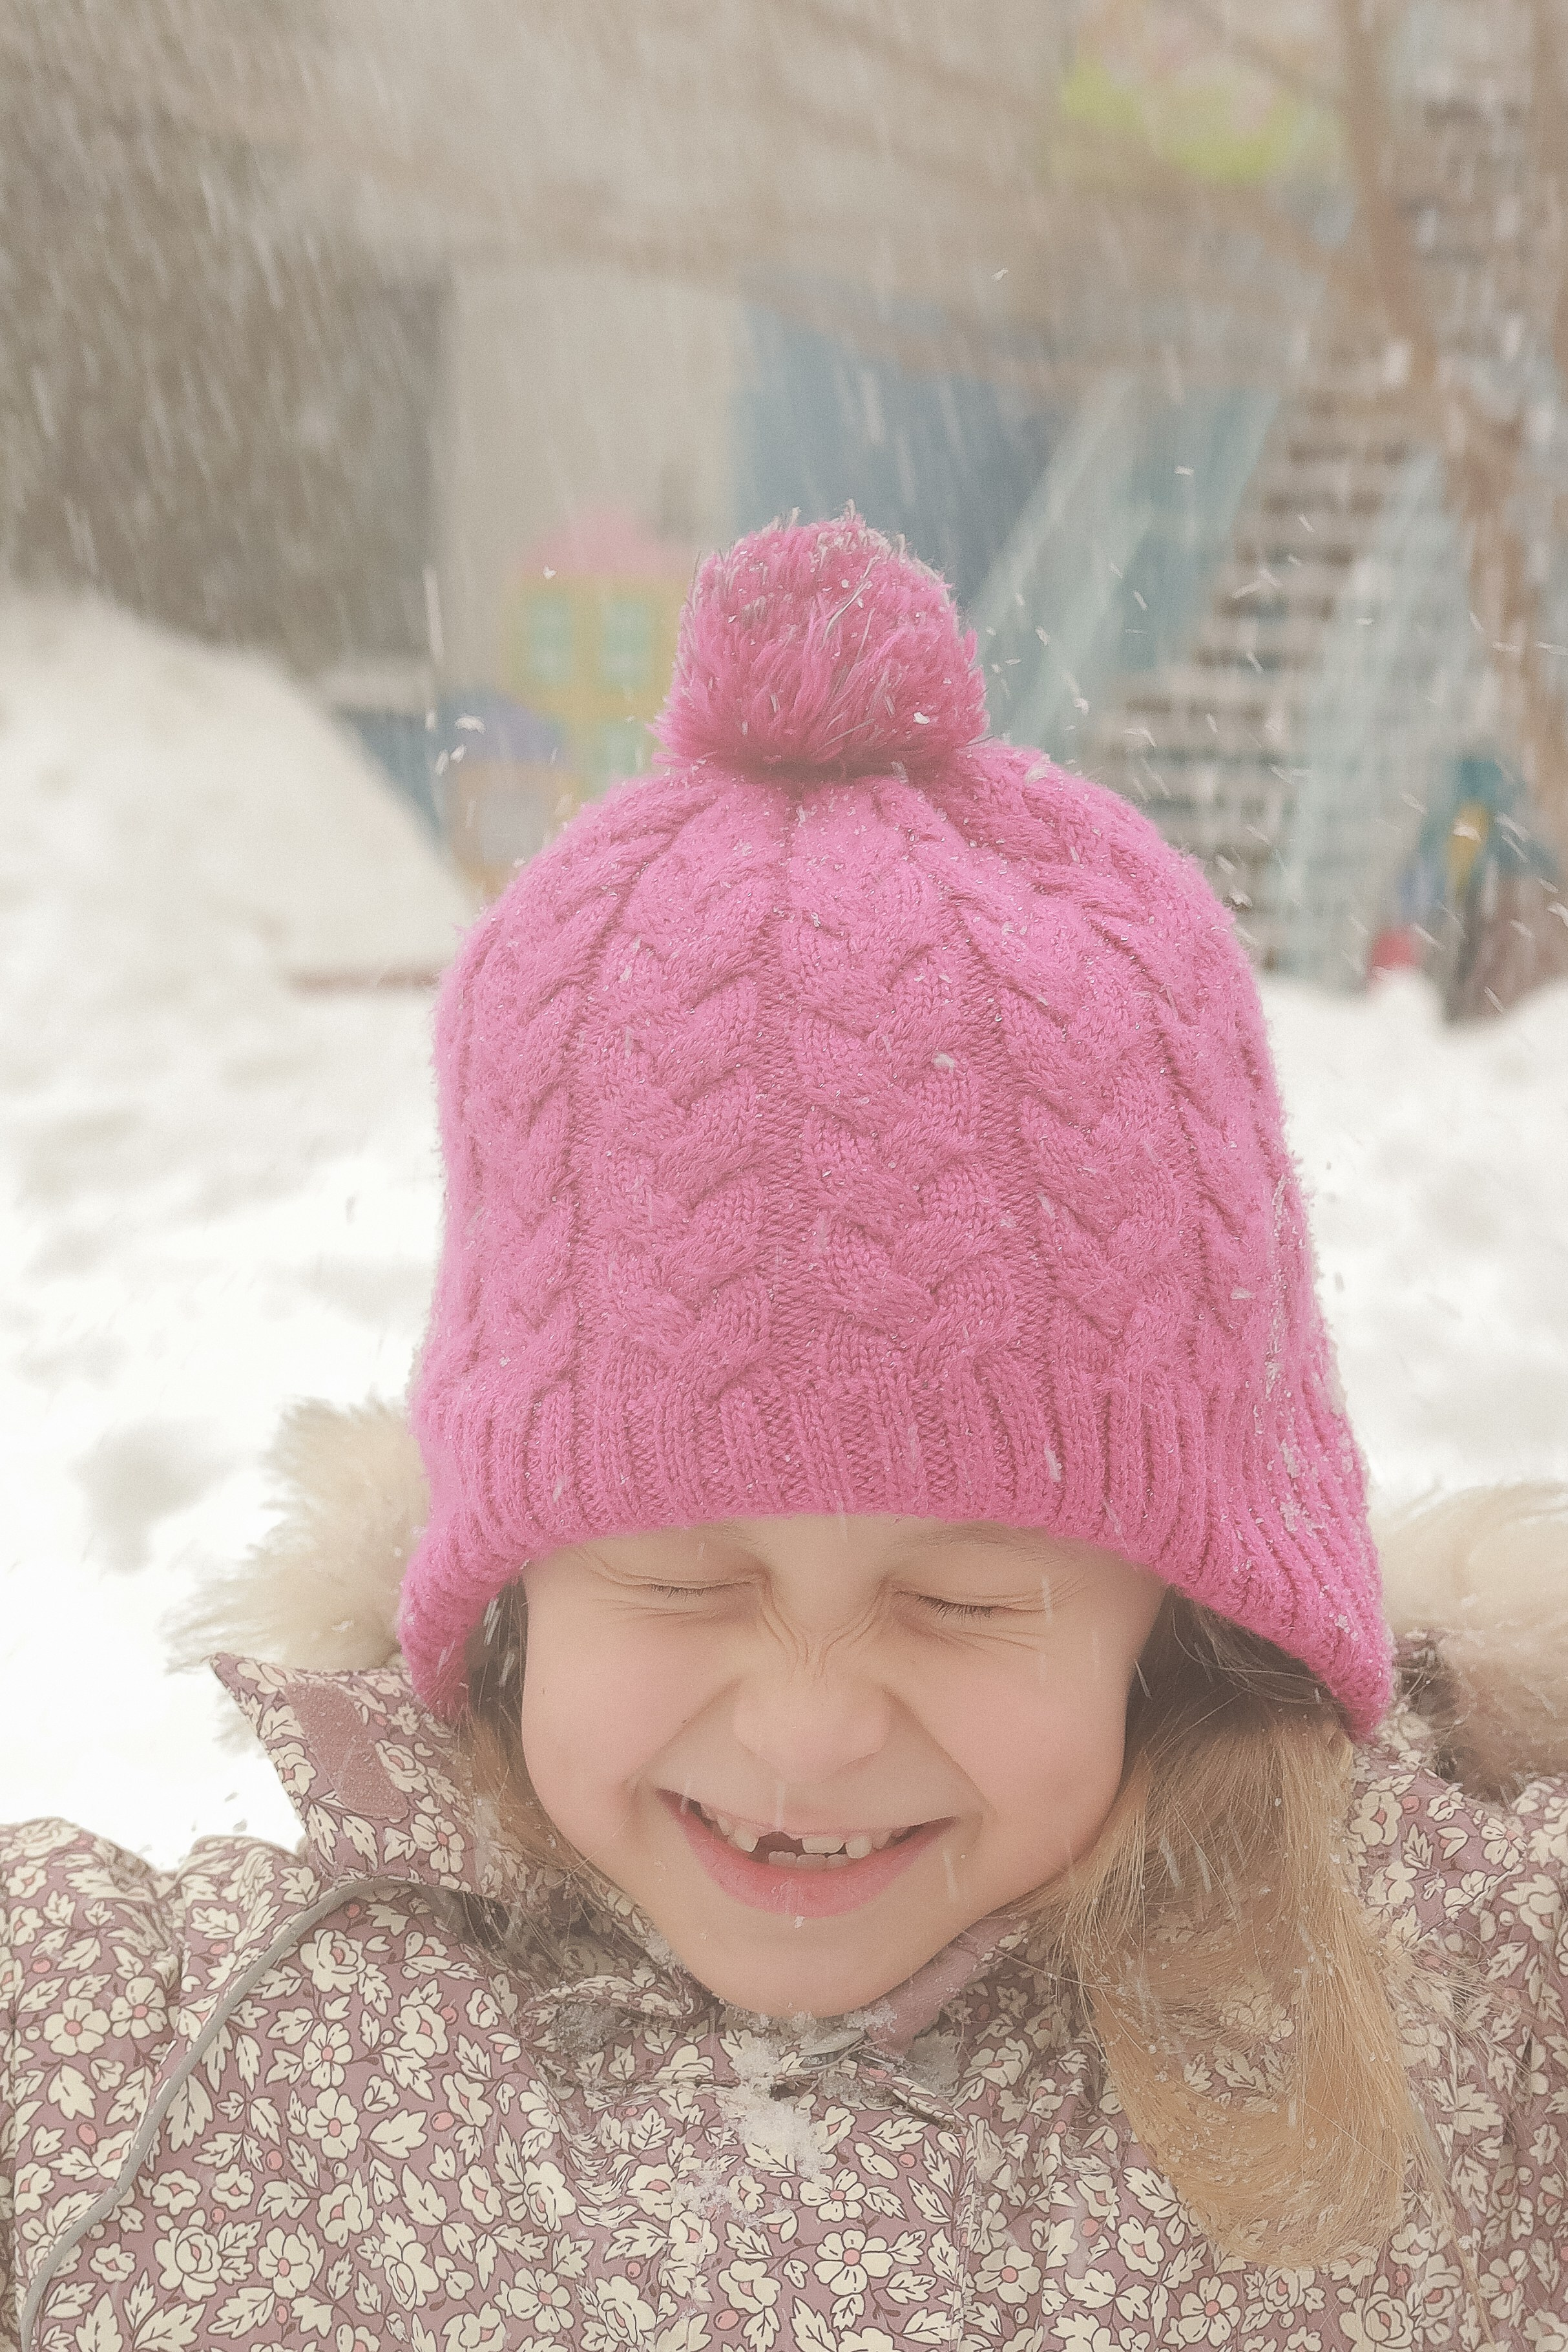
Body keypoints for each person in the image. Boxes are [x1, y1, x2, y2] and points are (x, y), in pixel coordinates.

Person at [4, 514, 1565, 2351]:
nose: (806, 1722)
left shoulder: (1450, 2017)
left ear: (1182, 1609)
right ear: (510, 1590)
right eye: (676, 1581)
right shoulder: (197, 2060)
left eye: (964, 1601)